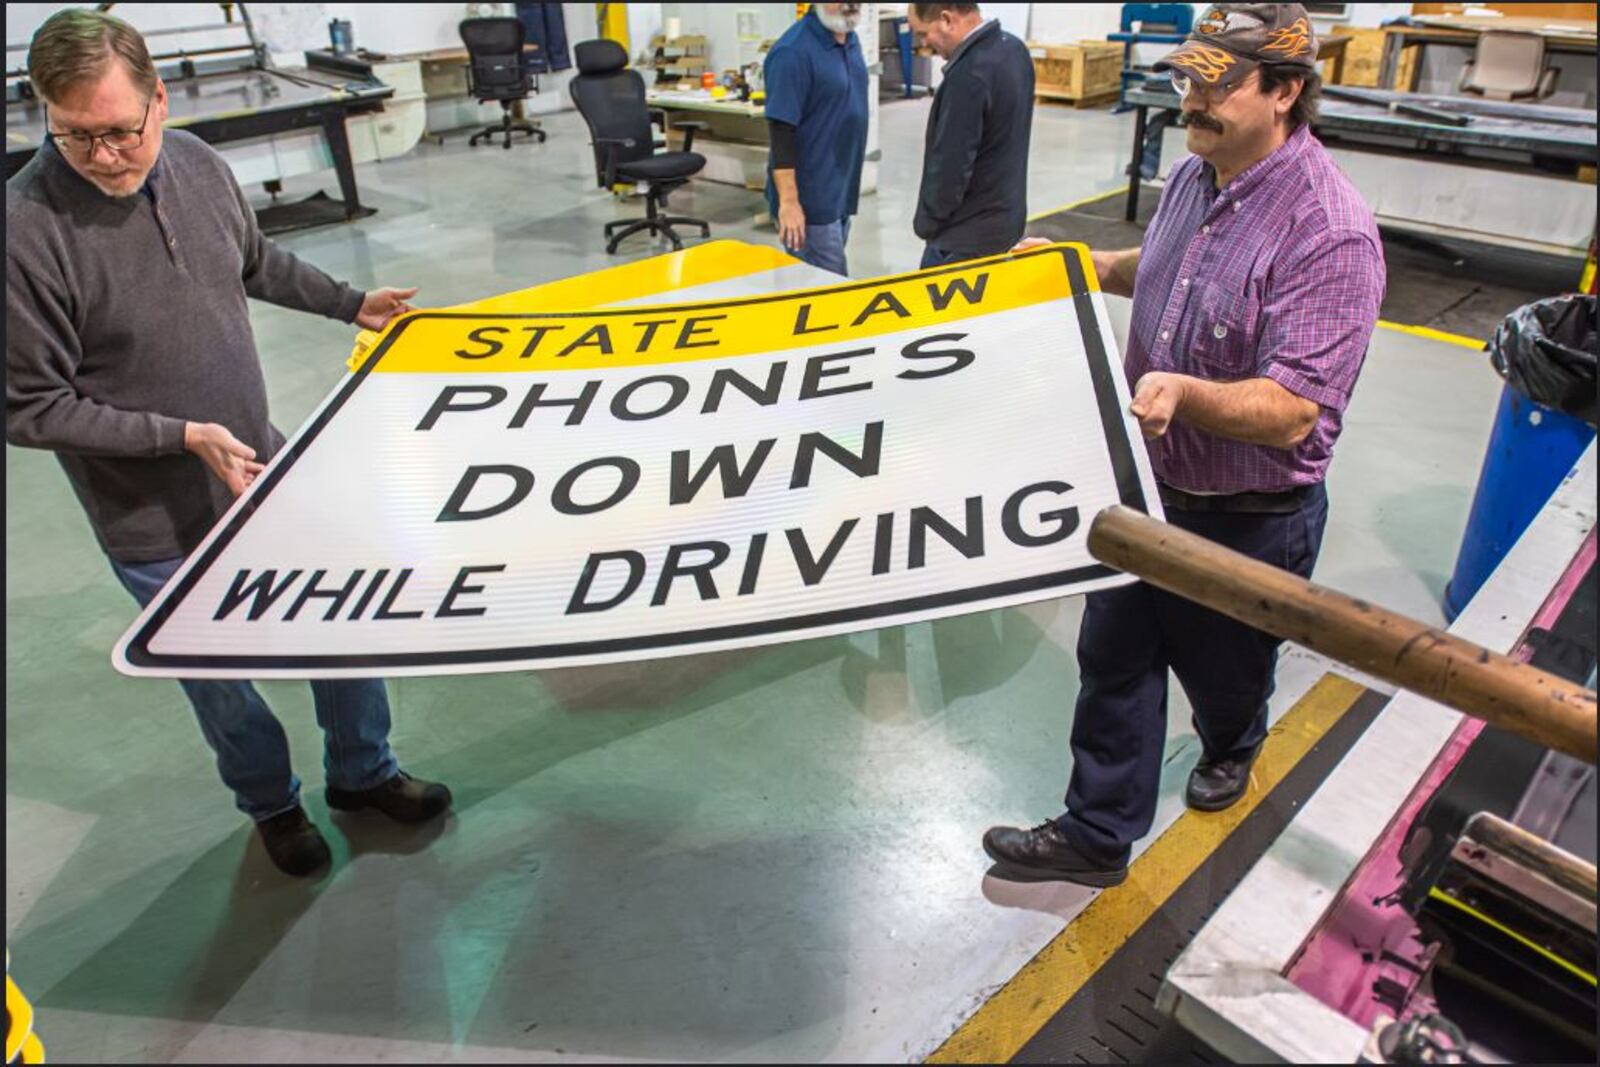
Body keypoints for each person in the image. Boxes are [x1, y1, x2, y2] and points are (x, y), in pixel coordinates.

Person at [6, 10, 452, 879]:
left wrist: (348, 301)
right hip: (150, 519)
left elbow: (251, 263)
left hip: (261, 469)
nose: (103, 156)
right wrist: (178, 435)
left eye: (120, 132)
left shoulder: (201, 168)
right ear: (44, 116)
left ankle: (363, 776)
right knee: (220, 679)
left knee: (340, 621)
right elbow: (30, 406)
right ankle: (273, 806)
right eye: (74, 137)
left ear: (160, 103)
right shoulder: (23, 231)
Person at [986, 4, 1385, 886]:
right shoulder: (1196, 175)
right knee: (1113, 659)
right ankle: (1096, 834)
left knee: (1227, 673)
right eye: (1185, 78)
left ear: (1284, 91)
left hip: (1248, 516)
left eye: (1216, 83)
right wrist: (1087, 266)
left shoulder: (1330, 231)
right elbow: (1164, 272)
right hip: (1149, 488)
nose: (1190, 101)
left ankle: (1235, 740)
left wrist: (1185, 393)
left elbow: (1292, 411)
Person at [906, 3, 1034, 268]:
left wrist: (926, 224)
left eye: (922, 33)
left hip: (961, 243)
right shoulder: (1014, 50)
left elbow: (950, 167)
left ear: (946, 20)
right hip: (1003, 228)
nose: (925, 43)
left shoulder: (969, 74)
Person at [763, 3, 869, 276]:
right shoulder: (792, 51)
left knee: (820, 283)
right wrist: (789, 203)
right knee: (827, 291)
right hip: (810, 202)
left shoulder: (850, 39)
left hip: (840, 192)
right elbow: (781, 131)